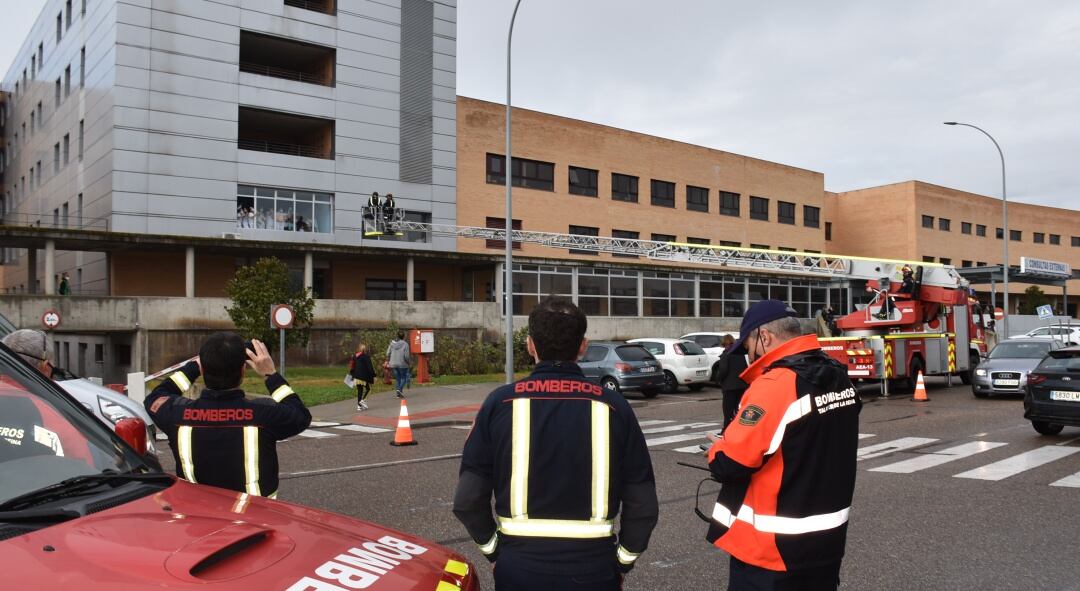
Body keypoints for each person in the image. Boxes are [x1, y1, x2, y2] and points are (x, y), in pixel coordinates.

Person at [453, 296, 659, 591]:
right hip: (594, 572)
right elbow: (644, 506)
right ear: (583, 346)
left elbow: (467, 500)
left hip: (518, 571)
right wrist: (622, 563)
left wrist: (495, 553)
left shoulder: (499, 404)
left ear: (530, 345)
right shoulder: (615, 407)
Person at [703, 300, 861, 590]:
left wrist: (718, 447)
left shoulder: (775, 384)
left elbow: (730, 464)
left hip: (771, 554)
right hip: (826, 544)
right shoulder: (837, 376)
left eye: (748, 346)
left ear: (764, 337)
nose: (749, 355)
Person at [144, 333, 311, 497]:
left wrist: (193, 368)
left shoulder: (177, 415)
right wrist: (271, 375)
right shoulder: (264, 414)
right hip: (256, 518)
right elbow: (300, 415)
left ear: (203, 368)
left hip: (198, 517)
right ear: (242, 371)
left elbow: (155, 397)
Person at [713, 333, 748, 429]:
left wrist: (718, 379)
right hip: (741, 385)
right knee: (738, 409)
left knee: (728, 410)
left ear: (724, 343)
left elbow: (723, 370)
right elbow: (745, 368)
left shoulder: (726, 354)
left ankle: (726, 430)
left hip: (729, 387)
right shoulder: (740, 354)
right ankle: (739, 428)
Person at [349, 343, 376, 412]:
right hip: (363, 377)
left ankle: (359, 406)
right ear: (365, 349)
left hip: (356, 376)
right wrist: (374, 375)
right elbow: (370, 367)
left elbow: (352, 366)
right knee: (369, 389)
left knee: (360, 391)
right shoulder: (366, 357)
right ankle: (363, 401)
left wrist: (352, 375)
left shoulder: (354, 356)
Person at [386, 331, 411, 398]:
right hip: (402, 364)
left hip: (393, 364)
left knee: (398, 379)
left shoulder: (392, 344)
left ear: (397, 336)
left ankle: (398, 394)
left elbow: (387, 353)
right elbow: (406, 356)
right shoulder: (405, 344)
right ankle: (399, 390)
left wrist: (388, 360)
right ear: (404, 336)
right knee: (404, 378)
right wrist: (408, 362)